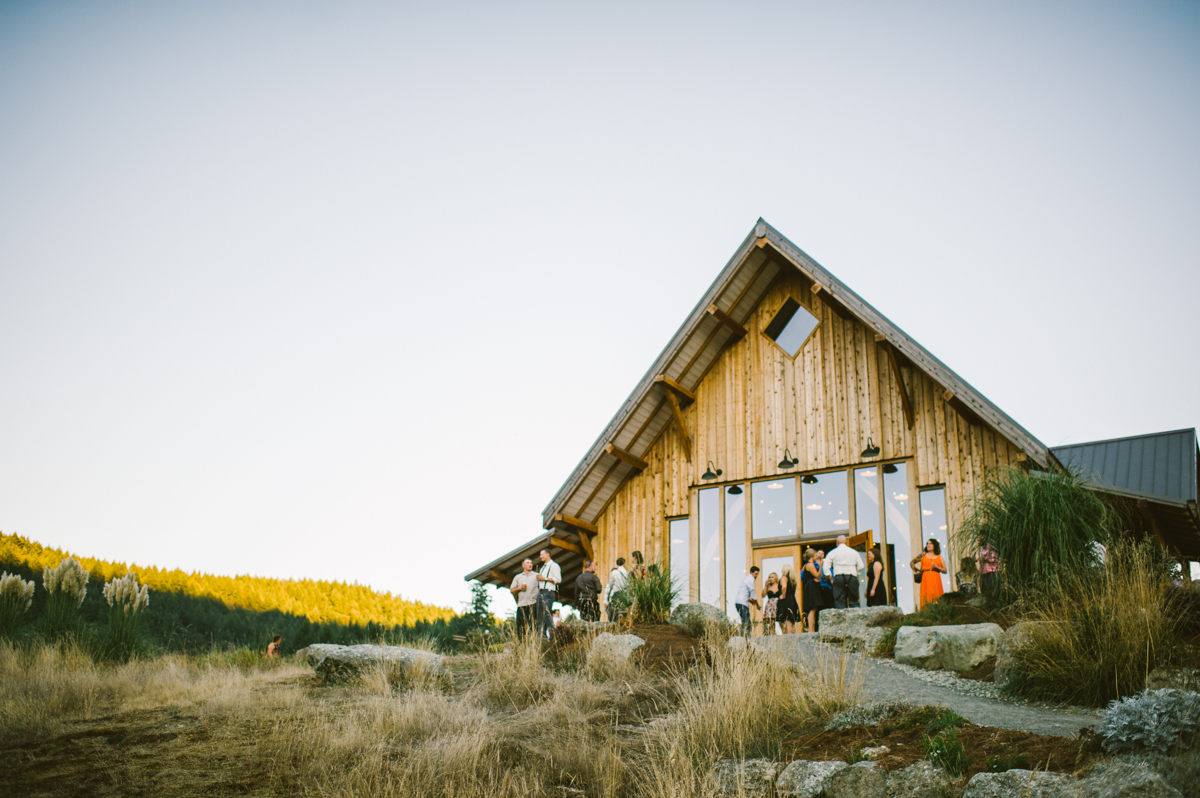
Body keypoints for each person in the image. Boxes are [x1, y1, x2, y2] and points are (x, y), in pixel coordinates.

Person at [826, 534, 864, 609]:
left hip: (839, 576)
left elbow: (826, 566)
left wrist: (830, 577)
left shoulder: (832, 552)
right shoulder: (854, 552)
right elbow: (861, 565)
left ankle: (842, 619)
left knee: (839, 600)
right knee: (854, 600)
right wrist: (856, 573)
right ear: (846, 542)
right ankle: (856, 618)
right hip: (852, 576)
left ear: (837, 542)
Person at [911, 539, 947, 608]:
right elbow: (912, 563)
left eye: (930, 543)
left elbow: (945, 570)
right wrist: (916, 571)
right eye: (927, 543)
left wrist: (937, 567)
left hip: (936, 578)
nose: (928, 545)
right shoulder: (923, 554)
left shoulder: (939, 556)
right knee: (926, 596)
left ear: (935, 545)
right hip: (926, 577)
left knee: (936, 596)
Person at [510, 557, 540, 637]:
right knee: (520, 627)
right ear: (523, 565)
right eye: (528, 563)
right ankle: (522, 645)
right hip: (521, 605)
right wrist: (519, 588)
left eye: (531, 563)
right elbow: (512, 590)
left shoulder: (537, 576)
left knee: (534, 626)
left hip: (533, 604)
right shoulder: (518, 577)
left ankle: (534, 644)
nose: (530, 564)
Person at [536, 548, 562, 637]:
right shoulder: (543, 567)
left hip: (548, 592)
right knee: (540, 617)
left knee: (547, 616)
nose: (540, 557)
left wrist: (544, 578)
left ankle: (553, 637)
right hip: (541, 592)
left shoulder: (554, 566)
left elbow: (558, 579)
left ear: (547, 554)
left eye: (542, 554)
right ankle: (542, 639)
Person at [733, 566, 760, 636]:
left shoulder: (746, 579)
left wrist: (750, 601)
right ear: (751, 572)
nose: (756, 576)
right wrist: (757, 605)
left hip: (740, 602)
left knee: (746, 621)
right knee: (746, 622)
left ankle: (745, 635)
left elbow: (745, 594)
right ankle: (744, 637)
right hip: (742, 604)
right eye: (756, 574)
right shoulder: (750, 579)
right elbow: (752, 593)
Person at [801, 549, 823, 632]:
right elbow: (817, 575)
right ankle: (811, 629)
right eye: (815, 555)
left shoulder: (805, 566)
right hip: (812, 586)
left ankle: (812, 629)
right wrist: (820, 565)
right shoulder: (810, 565)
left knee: (813, 608)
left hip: (809, 585)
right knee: (813, 608)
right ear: (811, 556)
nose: (816, 557)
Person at [604, 557, 631, 623]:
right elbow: (628, 585)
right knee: (623, 610)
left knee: (615, 610)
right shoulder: (627, 573)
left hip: (616, 593)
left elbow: (610, 584)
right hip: (624, 594)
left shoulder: (614, 572)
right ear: (624, 563)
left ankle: (614, 623)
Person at [778, 565, 800, 634]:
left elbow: (784, 587)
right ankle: (793, 637)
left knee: (786, 620)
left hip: (786, 601)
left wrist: (783, 596)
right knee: (791, 620)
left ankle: (788, 638)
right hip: (792, 600)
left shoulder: (784, 578)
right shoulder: (793, 580)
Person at [816, 549, 835, 614]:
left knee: (828, 605)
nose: (821, 555)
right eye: (819, 553)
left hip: (827, 587)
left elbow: (832, 575)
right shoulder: (813, 565)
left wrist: (830, 578)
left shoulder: (827, 565)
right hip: (818, 588)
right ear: (816, 554)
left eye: (822, 553)